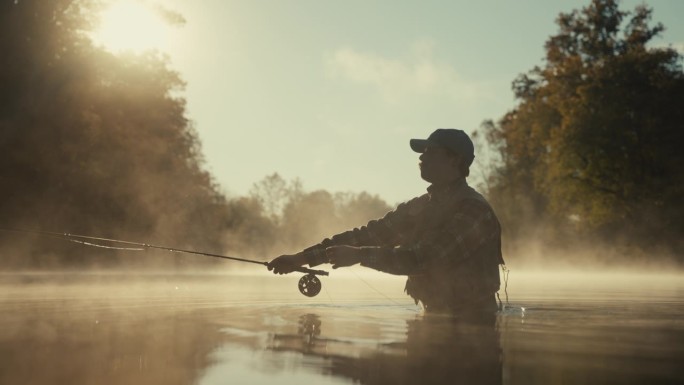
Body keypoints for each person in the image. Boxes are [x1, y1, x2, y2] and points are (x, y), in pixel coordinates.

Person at [268, 128, 505, 314]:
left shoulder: (473, 210)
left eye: (430, 151)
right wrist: (300, 259)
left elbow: (424, 259)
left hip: (476, 322)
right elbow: (366, 235)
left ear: (454, 160)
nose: (422, 157)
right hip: (434, 318)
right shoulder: (420, 206)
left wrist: (360, 255)